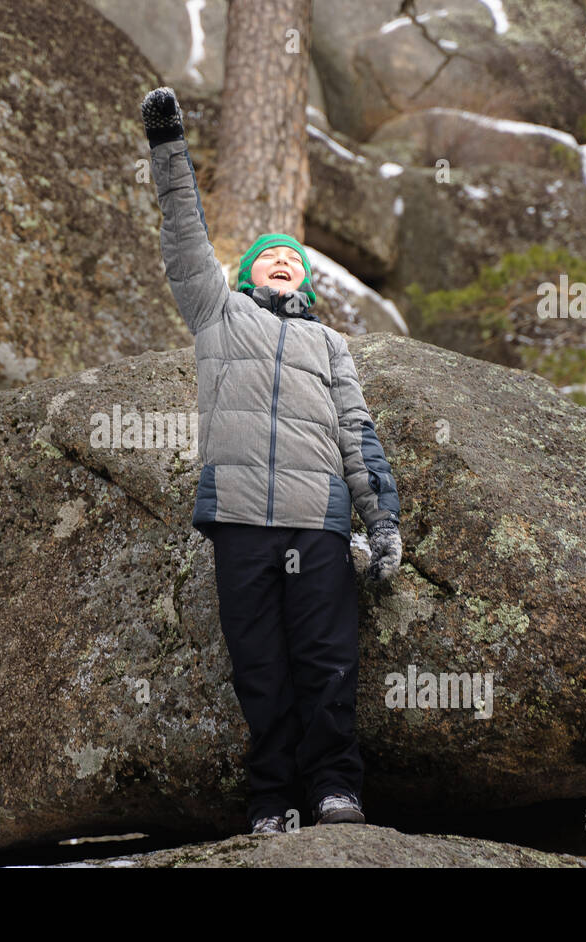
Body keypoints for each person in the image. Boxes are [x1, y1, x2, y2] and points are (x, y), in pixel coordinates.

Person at [139, 86, 403, 835]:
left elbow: (359, 432)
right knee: (260, 671)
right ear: (250, 275)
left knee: (327, 666)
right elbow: (186, 237)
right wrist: (169, 150)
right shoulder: (219, 312)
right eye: (269, 258)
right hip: (240, 519)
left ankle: (334, 790)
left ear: (307, 283)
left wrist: (382, 523)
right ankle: (272, 801)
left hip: (317, 523)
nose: (283, 263)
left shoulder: (330, 345)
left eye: (294, 260)